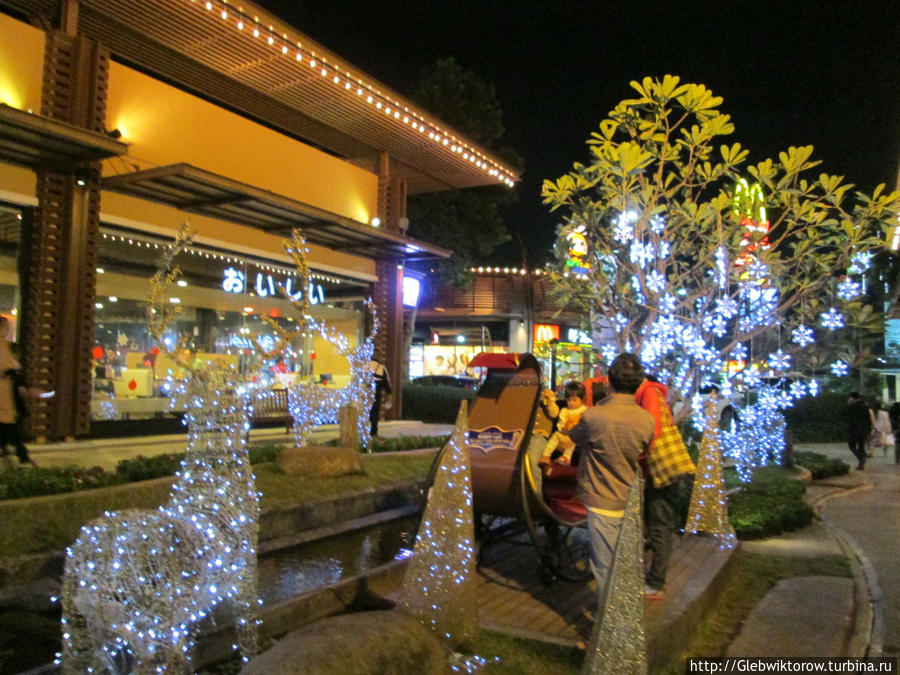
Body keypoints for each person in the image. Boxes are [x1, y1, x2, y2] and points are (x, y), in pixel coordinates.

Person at [569, 354, 655, 606]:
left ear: (609, 382)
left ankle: (610, 630)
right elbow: (644, 449)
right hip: (629, 499)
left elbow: (576, 436)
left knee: (605, 567)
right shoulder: (646, 420)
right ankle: (624, 617)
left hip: (601, 498)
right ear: (638, 385)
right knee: (625, 565)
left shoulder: (594, 416)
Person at [634, 375, 696, 599]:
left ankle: (656, 583)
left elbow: (652, 429)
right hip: (663, 468)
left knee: (659, 522)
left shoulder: (649, 393)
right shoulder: (652, 392)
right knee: (658, 521)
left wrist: (637, 452)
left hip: (663, 469)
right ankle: (655, 578)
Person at [0, 317, 34, 466]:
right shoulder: (3, 346)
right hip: (3, 394)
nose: (8, 330)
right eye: (6, 327)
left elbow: (13, 368)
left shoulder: (6, 346)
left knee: (8, 425)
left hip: (7, 393)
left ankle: (18, 454)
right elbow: (9, 368)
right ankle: (21, 455)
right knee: (9, 426)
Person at [539, 380, 587, 469]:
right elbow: (561, 423)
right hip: (564, 433)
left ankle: (566, 457)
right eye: (569, 400)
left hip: (577, 436)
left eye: (574, 400)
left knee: (573, 440)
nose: (571, 403)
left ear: (582, 399)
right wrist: (563, 429)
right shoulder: (565, 410)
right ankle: (546, 455)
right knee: (555, 436)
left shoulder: (585, 411)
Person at [845, 392, 871, 470]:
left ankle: (861, 458)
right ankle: (861, 464)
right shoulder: (865, 406)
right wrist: (868, 430)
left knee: (851, 446)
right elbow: (868, 418)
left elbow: (844, 414)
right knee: (861, 446)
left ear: (853, 398)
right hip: (864, 430)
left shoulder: (853, 406)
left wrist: (848, 404)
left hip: (854, 429)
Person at [369, 359, 391, 437]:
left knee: (364, 414)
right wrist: (388, 401)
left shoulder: (363, 365)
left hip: (364, 395)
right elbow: (387, 385)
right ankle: (373, 432)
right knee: (374, 413)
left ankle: (361, 433)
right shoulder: (381, 368)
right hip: (376, 395)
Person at [889, 400, 900, 466]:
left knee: (897, 444)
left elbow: (891, 420)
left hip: (896, 430)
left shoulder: (893, 416)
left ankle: (897, 459)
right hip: (897, 429)